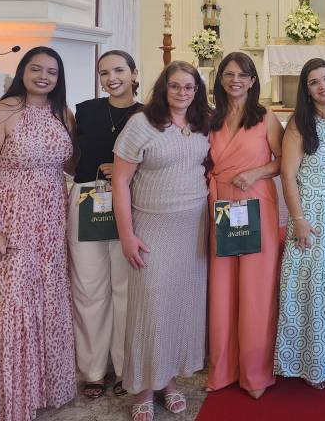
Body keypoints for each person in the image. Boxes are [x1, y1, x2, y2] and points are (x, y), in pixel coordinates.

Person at [0, 46, 77, 421]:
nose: (44, 77)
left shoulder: (63, 114)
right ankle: (11, 394)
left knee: (45, 300)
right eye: (36, 69)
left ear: (59, 79)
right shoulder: (3, 111)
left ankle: (41, 388)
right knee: (13, 302)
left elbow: (71, 163)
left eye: (52, 72)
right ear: (22, 71)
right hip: (11, 217)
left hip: (51, 220)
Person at [112, 61, 211, 421]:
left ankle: (168, 381)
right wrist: (127, 234)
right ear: (163, 88)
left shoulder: (202, 123)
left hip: (193, 228)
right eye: (175, 86)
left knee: (180, 307)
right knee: (150, 307)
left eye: (189, 87)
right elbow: (120, 181)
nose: (182, 92)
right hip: (152, 226)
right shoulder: (141, 123)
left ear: (197, 91)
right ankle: (142, 387)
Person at [206, 52, 284, 399]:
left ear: (253, 81)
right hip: (221, 204)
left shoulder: (266, 118)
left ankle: (255, 372)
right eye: (228, 74)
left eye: (242, 75)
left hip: (255, 203)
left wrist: (255, 172)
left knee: (256, 287)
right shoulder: (210, 118)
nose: (235, 80)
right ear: (220, 79)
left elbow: (283, 161)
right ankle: (224, 368)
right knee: (223, 287)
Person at [274, 58, 325, 388]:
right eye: (314, 81)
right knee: (311, 289)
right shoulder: (299, 125)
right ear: (306, 90)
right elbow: (287, 175)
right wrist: (298, 220)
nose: (323, 85)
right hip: (311, 216)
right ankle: (308, 363)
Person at [69, 50, 142, 400]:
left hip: (130, 201)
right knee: (88, 287)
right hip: (87, 199)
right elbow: (70, 155)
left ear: (133, 73)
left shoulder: (147, 114)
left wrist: (126, 170)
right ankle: (93, 370)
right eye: (104, 73)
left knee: (126, 288)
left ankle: (127, 368)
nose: (111, 78)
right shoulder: (84, 111)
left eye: (119, 70)